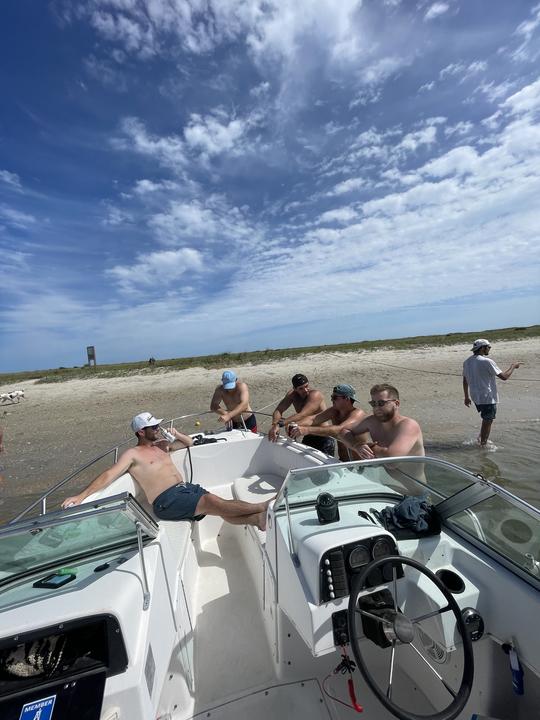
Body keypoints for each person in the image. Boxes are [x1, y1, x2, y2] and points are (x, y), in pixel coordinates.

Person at [62, 412, 269, 529]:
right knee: (214, 503)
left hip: (185, 490)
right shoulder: (133, 454)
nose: (158, 429)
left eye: (158, 426)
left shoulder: (162, 446)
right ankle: (262, 508)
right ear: (141, 432)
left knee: (220, 507)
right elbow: (109, 474)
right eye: (154, 427)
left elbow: (188, 444)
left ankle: (256, 519)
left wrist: (176, 433)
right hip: (166, 501)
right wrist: (81, 496)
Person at [462, 338, 522, 446]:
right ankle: (483, 445)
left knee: (486, 419)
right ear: (482, 348)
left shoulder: (467, 362)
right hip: (487, 397)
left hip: (476, 397)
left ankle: (481, 438)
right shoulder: (487, 361)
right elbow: (504, 377)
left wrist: (466, 397)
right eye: (488, 347)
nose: (489, 349)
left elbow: (465, 380)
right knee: (488, 420)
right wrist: (513, 366)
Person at [339, 384, 424, 459]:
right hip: (381, 476)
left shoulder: (409, 426)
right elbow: (343, 431)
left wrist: (371, 448)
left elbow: (392, 461)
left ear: (396, 404)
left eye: (381, 403)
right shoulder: (372, 421)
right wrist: (357, 446)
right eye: (373, 404)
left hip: (408, 477)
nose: (376, 408)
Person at [289, 384, 369, 460]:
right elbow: (313, 419)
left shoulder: (358, 414)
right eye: (332, 397)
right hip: (343, 461)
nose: (331, 400)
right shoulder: (334, 410)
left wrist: (307, 430)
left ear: (347, 399)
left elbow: (338, 430)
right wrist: (294, 424)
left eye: (335, 397)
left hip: (360, 464)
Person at [268, 373, 331, 454]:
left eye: (306, 386)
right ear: (295, 389)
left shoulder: (315, 395)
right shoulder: (292, 395)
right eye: (301, 388)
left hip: (323, 436)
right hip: (308, 433)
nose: (305, 390)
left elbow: (303, 414)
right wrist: (274, 425)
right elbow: (279, 410)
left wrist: (281, 424)